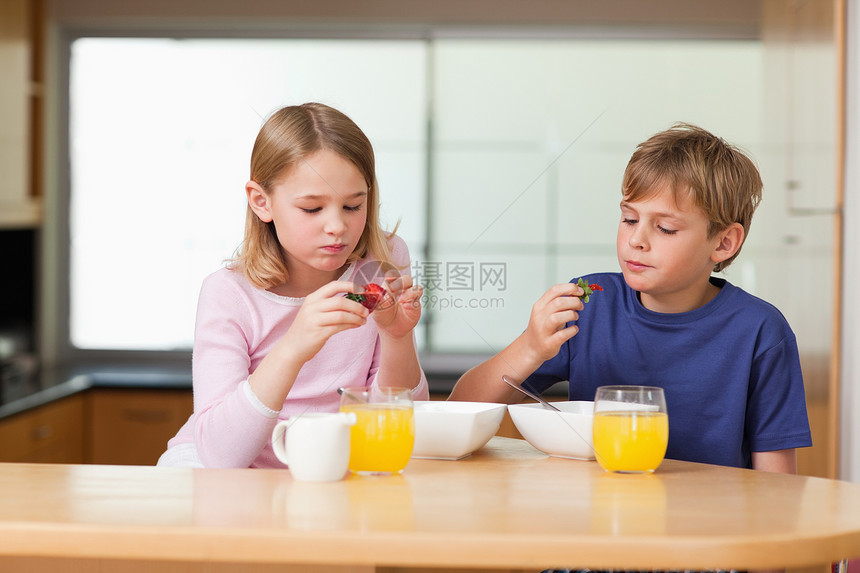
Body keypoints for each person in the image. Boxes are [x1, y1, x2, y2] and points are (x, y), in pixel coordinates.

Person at [450, 123, 811, 472]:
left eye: (665, 227)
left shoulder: (760, 332)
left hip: (708, 526)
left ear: (723, 243)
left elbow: (774, 483)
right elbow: (460, 410)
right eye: (628, 219)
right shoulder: (590, 304)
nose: (637, 240)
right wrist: (530, 347)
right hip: (604, 521)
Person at [158, 102, 428, 468]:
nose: (337, 226)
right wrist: (294, 346)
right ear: (261, 201)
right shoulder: (229, 293)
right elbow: (222, 457)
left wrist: (397, 338)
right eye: (312, 209)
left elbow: (398, 422)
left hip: (334, 460)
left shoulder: (381, 261)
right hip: (222, 465)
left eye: (352, 206)